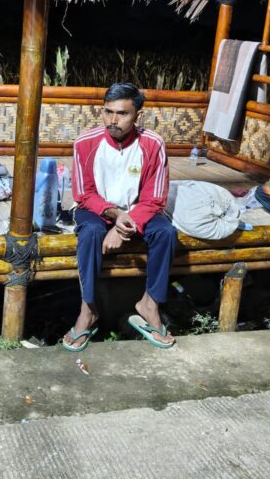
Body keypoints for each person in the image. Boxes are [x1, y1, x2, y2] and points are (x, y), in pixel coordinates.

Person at [64, 83, 176, 351]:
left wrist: (123, 225)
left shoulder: (153, 144)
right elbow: (84, 194)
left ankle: (149, 304)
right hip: (96, 209)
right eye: (108, 112)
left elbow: (155, 199)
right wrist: (115, 216)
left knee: (166, 233)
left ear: (138, 115)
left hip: (139, 210)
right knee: (91, 233)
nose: (113, 120)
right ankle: (88, 310)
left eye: (122, 113)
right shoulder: (85, 143)